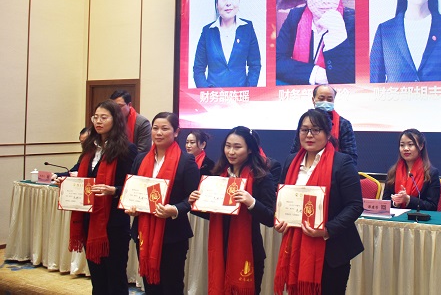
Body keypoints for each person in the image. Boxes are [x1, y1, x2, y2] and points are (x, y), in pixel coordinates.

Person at [274, 109, 363, 295]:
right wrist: (280, 219)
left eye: (316, 130)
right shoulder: (291, 161)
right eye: (304, 130)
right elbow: (282, 198)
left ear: (328, 133)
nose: (309, 135)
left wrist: (327, 230)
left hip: (332, 250)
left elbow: (355, 206)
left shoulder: (342, 163)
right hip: (296, 246)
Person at [189, 126, 276, 294]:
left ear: (250, 149)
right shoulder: (218, 175)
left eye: (237, 147)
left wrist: (252, 203)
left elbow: (270, 218)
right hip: (220, 248)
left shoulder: (262, 177)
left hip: (249, 251)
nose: (231, 152)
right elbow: (214, 213)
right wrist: (196, 204)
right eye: (228, 146)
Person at [64, 100, 137, 295]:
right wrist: (65, 181)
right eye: (95, 117)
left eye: (104, 117)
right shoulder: (90, 147)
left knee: (115, 276)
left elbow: (133, 185)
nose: (98, 121)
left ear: (116, 120)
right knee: (97, 277)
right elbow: (81, 175)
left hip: (114, 222)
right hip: (89, 219)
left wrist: (114, 190)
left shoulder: (126, 149)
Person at [126, 112, 200, 294]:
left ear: (176, 132)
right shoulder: (140, 159)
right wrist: (132, 207)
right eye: (155, 128)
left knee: (171, 286)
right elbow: (133, 190)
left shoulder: (186, 161)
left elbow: (193, 198)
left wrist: (174, 209)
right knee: (151, 287)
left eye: (165, 129)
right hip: (143, 231)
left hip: (173, 234)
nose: (159, 133)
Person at [276, 0, 355, 85]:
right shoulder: (295, 16)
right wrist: (317, 74)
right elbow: (276, 60)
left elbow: (350, 79)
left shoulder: (353, 21)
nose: (327, 0)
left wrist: (338, 36)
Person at [193, 0, 261, 88]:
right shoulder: (207, 32)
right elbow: (198, 69)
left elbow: (255, 65)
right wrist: (208, 92)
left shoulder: (247, 28)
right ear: (216, 3)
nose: (228, 3)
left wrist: (249, 91)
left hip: (241, 96)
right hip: (214, 97)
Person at [290, 85, 358, 166]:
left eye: (329, 99)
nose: (325, 102)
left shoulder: (343, 124)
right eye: (321, 99)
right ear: (313, 100)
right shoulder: (305, 121)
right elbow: (295, 150)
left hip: (334, 170)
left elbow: (350, 157)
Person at [382, 128, 440, 211]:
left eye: (410, 144)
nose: (405, 148)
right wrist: (396, 203)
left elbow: (432, 206)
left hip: (418, 218)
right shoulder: (393, 172)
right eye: (402, 145)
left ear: (421, 146)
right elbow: (385, 202)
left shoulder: (431, 173)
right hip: (396, 218)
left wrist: (408, 199)